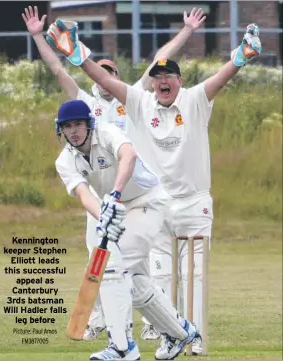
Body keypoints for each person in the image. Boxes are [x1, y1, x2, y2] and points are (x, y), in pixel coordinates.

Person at [44, 16, 262, 357]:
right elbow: (100, 79)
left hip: (165, 202)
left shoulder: (189, 100)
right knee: (142, 278)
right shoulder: (139, 103)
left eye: (168, 76)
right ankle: (177, 332)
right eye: (157, 76)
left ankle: (127, 346)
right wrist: (79, 58)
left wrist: (240, 56)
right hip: (142, 208)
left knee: (174, 275)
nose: (162, 81)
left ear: (179, 80)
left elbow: (219, 79)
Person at [22, 5, 206, 349]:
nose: (103, 75)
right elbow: (56, 68)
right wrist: (36, 36)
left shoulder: (130, 98)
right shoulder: (83, 107)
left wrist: (188, 32)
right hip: (102, 200)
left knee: (125, 268)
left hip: (137, 193)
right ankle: (122, 327)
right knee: (107, 264)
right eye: (100, 70)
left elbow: (159, 59)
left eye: (109, 71)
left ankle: (130, 341)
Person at [52, 98, 200, 360]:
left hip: (147, 201)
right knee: (134, 285)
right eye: (67, 126)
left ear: (89, 124)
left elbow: (128, 155)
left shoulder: (107, 132)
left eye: (78, 124)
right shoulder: (65, 160)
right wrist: (104, 214)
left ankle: (122, 347)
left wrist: (115, 194)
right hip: (116, 211)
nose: (73, 131)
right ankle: (180, 332)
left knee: (112, 267)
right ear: (60, 130)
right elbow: (85, 195)